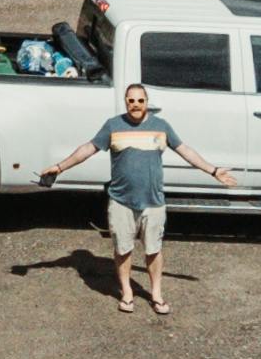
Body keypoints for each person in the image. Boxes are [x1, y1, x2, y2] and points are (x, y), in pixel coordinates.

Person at [36, 84, 236, 318]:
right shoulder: (113, 126)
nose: (135, 105)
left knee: (153, 250)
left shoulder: (161, 127)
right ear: (125, 102)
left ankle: (156, 294)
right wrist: (59, 167)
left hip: (153, 202)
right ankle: (127, 293)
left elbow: (186, 151)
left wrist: (213, 171)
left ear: (147, 101)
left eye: (140, 100)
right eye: (131, 100)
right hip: (121, 201)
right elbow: (87, 149)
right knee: (123, 250)